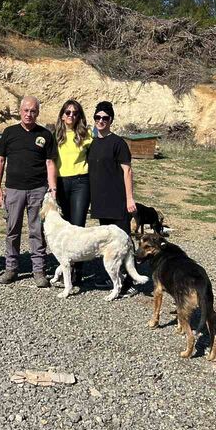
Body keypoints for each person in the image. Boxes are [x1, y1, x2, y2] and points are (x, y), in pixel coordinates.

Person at [0, 96, 57, 288]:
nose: (29, 114)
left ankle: (39, 270)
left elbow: (50, 163)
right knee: (12, 230)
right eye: (26, 110)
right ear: (20, 111)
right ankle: (11, 268)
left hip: (38, 189)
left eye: (33, 111)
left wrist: (52, 188)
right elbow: (0, 160)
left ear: (38, 113)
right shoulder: (9, 133)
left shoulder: (45, 135)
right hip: (14, 189)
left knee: (36, 230)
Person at [87, 100, 138, 295]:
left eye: (105, 118)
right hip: (100, 201)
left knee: (124, 240)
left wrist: (129, 198)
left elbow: (127, 172)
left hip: (117, 200)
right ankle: (115, 278)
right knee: (108, 241)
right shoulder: (92, 143)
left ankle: (130, 281)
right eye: (98, 117)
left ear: (111, 120)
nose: (101, 121)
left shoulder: (118, 143)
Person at [55, 99, 92, 284]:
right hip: (60, 183)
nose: (71, 116)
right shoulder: (55, 135)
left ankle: (78, 271)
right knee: (64, 227)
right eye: (68, 112)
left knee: (77, 226)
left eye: (75, 113)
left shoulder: (86, 135)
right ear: (62, 115)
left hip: (80, 182)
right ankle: (65, 269)